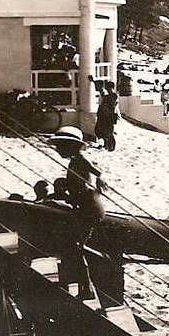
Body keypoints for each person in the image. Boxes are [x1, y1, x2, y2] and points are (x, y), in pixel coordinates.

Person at [49, 126, 106, 301]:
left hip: (90, 208)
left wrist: (99, 180)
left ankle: (86, 287)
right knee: (75, 246)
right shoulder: (75, 161)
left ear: (71, 146)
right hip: (86, 206)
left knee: (76, 246)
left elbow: (96, 172)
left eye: (60, 146)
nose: (58, 150)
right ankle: (84, 286)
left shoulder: (80, 159)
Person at [93, 80, 119, 152]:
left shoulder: (114, 96)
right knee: (101, 130)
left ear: (111, 88)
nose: (107, 90)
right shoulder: (108, 96)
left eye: (108, 88)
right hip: (104, 116)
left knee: (109, 132)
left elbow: (110, 105)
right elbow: (101, 92)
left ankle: (111, 146)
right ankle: (106, 144)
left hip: (109, 116)